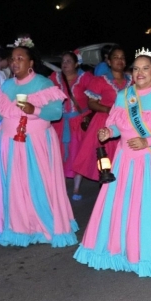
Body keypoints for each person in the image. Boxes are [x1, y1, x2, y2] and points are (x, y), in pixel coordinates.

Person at [74, 48, 151, 276]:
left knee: (145, 207)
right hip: (125, 160)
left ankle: (144, 254)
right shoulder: (124, 96)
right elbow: (116, 125)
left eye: (145, 68)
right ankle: (119, 249)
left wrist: (148, 141)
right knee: (122, 206)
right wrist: (108, 132)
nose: (140, 72)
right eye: (136, 69)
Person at [0, 37, 79, 248]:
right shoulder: (7, 86)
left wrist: (34, 110)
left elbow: (56, 113)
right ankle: (17, 226)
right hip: (9, 143)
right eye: (12, 59)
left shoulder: (43, 84)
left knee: (37, 185)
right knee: (13, 186)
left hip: (36, 143)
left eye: (20, 58)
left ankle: (41, 224)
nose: (15, 62)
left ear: (31, 63)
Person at [73, 46, 131, 182]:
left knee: (125, 157)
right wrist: (107, 109)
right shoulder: (100, 80)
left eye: (122, 58)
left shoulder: (132, 81)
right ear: (109, 62)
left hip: (127, 122)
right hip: (105, 121)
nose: (119, 60)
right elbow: (91, 103)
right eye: (116, 57)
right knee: (105, 157)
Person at [51, 51, 93, 200]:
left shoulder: (85, 78)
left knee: (77, 155)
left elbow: (96, 95)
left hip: (78, 124)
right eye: (63, 61)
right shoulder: (55, 78)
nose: (65, 64)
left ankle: (76, 188)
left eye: (69, 61)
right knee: (57, 155)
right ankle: (59, 188)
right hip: (59, 123)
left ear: (76, 64)